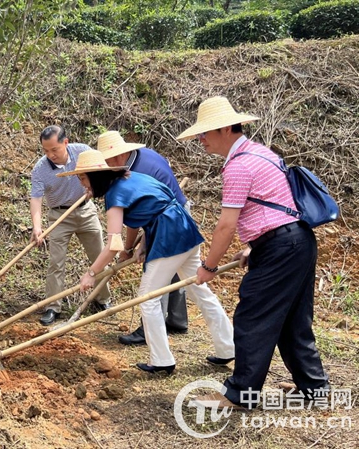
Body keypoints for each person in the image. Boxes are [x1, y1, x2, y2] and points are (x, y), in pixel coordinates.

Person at [178, 96, 329, 409]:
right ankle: (314, 388)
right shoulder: (261, 153)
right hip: (296, 241)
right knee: (292, 319)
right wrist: (253, 245)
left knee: (251, 318)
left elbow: (225, 226)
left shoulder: (238, 166)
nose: (200, 140)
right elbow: (275, 205)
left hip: (281, 247)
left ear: (223, 129)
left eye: (204, 133)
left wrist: (208, 266)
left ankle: (239, 394)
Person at [60, 147, 234, 375]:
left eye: (83, 178)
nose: (82, 183)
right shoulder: (131, 178)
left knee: (147, 298)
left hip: (169, 236)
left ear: (95, 176)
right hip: (184, 227)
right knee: (199, 290)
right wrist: (142, 246)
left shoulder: (115, 195)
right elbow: (153, 209)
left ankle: (162, 360)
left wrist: (91, 273)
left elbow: (114, 245)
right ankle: (228, 347)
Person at [98, 131, 189, 345]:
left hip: (168, 218)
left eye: (106, 161)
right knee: (175, 268)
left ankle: (148, 329)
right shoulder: (142, 155)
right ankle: (176, 320)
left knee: (157, 271)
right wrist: (133, 247)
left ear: (118, 156)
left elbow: (135, 219)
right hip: (175, 211)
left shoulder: (134, 172)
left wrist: (130, 248)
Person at [31, 125, 111, 326]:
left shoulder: (82, 152)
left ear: (65, 143)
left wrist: (94, 187)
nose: (51, 155)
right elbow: (36, 199)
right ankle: (52, 306)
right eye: (46, 151)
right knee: (56, 262)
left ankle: (103, 299)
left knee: (98, 254)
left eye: (54, 150)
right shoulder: (41, 169)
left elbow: (102, 169)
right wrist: (37, 227)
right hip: (59, 215)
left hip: (85, 210)